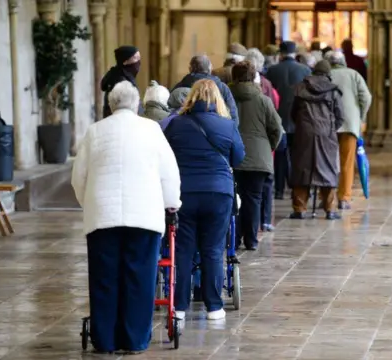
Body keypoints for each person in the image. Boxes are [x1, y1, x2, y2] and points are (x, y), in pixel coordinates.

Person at [71, 81, 181, 354]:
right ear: (137, 105)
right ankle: (134, 340)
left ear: (110, 105)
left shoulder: (95, 132)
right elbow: (169, 173)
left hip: (102, 217)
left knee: (103, 278)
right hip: (143, 215)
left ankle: (105, 340)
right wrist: (172, 205)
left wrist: (90, 203)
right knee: (140, 279)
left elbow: (78, 178)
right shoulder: (151, 129)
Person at [164, 79, 245, 320]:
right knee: (213, 249)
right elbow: (238, 157)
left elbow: (166, 157)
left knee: (183, 249)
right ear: (218, 99)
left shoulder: (175, 124)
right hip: (218, 193)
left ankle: (178, 306)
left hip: (185, 192)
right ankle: (213, 307)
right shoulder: (227, 125)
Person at [229, 61, 283, 250]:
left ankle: (234, 240)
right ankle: (251, 240)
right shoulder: (264, 100)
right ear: (253, 77)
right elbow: (277, 129)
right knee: (253, 198)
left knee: (233, 198)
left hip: (232, 156)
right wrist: (268, 148)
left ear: (233, 77)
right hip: (258, 158)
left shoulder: (227, 99)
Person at [290, 60, 345, 220]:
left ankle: (299, 209)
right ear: (328, 73)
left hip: (304, 133)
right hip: (326, 133)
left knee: (302, 168)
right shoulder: (333, 91)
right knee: (328, 167)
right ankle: (330, 209)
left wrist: (303, 126)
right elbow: (340, 116)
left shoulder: (301, 88)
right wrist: (330, 128)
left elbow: (293, 113)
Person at [325, 50, 372, 210]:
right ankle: (344, 198)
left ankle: (326, 198)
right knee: (347, 162)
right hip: (350, 124)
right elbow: (366, 97)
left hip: (328, 124)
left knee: (327, 162)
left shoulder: (326, 74)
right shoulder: (353, 74)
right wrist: (360, 116)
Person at [266, 41, 312, 199]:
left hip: (278, 119)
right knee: (299, 156)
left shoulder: (272, 70)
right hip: (299, 119)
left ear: (281, 53)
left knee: (280, 157)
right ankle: (298, 189)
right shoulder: (305, 70)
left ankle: (279, 190)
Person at [245, 48, 280, 231]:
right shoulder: (266, 87)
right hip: (263, 144)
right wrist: (271, 145)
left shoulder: (231, 91)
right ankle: (263, 220)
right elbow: (275, 120)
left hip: (244, 147)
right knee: (264, 185)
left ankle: (255, 224)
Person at [173, 55, 239, 125]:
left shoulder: (179, 86)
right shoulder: (222, 87)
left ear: (190, 69)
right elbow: (233, 116)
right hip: (217, 128)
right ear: (210, 69)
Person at [101, 46, 144, 118]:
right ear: (125, 61)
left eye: (139, 58)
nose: (139, 61)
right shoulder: (121, 82)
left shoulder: (117, 75)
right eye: (135, 58)